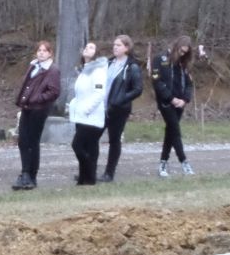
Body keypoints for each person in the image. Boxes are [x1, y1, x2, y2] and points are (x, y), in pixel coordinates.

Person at [12, 40, 61, 190]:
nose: (41, 53)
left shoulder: (52, 70)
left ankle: (30, 175)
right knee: (23, 141)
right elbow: (27, 86)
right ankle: (25, 173)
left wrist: (37, 99)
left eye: (44, 51)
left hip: (39, 110)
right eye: (39, 50)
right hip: (27, 107)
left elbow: (54, 91)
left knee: (32, 142)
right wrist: (23, 99)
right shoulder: (33, 66)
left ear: (50, 53)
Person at [99, 35, 143, 182]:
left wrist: (120, 99)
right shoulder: (108, 63)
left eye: (118, 45)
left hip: (118, 110)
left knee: (114, 140)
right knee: (91, 138)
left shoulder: (132, 67)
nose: (115, 47)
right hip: (102, 107)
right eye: (114, 45)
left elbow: (137, 89)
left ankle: (109, 173)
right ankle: (88, 171)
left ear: (127, 48)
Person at [152, 35, 195, 177]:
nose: (182, 54)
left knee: (170, 132)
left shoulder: (185, 63)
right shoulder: (160, 59)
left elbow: (189, 84)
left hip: (180, 103)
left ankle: (163, 162)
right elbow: (157, 82)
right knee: (175, 130)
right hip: (166, 102)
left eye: (185, 52)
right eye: (181, 51)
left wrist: (185, 99)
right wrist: (171, 99)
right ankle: (184, 162)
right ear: (176, 47)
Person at [68, 42, 107, 185]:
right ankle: (84, 178)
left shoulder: (98, 71)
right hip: (81, 116)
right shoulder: (84, 70)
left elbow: (99, 94)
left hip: (91, 116)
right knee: (87, 147)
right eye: (86, 47)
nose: (87, 48)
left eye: (91, 47)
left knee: (77, 145)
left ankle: (90, 173)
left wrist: (86, 110)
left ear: (97, 53)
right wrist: (74, 106)